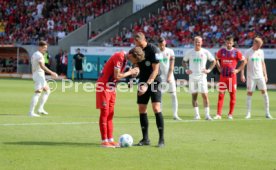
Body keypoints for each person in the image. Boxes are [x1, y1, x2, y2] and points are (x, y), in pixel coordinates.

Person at [96, 47, 144, 148]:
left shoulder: (126, 59)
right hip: (103, 86)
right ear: (131, 55)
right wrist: (130, 72)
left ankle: (110, 139)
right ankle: (104, 141)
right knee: (105, 112)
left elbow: (124, 73)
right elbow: (117, 76)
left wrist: (131, 79)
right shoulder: (119, 56)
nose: (134, 62)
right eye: (135, 60)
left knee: (110, 114)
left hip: (112, 87)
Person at [134, 32, 165, 147]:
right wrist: (133, 76)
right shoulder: (136, 50)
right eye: (136, 43)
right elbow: (136, 66)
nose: (138, 46)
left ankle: (161, 139)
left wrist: (146, 84)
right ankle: (145, 139)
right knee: (142, 108)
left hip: (154, 81)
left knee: (156, 107)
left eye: (139, 43)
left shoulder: (154, 50)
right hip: (142, 81)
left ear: (144, 40)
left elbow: (155, 70)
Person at [182, 36, 216, 120]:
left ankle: (207, 115)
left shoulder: (205, 52)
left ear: (201, 43)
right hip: (192, 78)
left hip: (202, 77)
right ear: (193, 42)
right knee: (194, 96)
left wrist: (209, 70)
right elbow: (183, 61)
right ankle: (197, 115)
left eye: (199, 42)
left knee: (205, 95)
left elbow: (213, 61)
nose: (197, 43)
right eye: (196, 42)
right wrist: (186, 69)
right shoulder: (189, 52)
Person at [214, 36, 245, 120]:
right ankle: (218, 114)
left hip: (232, 78)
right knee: (220, 95)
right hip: (223, 77)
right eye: (227, 42)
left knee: (232, 96)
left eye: (230, 43)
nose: (229, 44)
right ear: (225, 42)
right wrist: (219, 68)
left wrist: (238, 70)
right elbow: (216, 59)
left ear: (233, 43)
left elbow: (244, 61)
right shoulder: (221, 51)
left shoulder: (236, 52)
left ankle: (230, 114)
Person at [241, 37, 273, 119]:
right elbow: (244, 64)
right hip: (251, 77)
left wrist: (265, 75)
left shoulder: (261, 52)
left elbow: (263, 64)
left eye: (260, 46)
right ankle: (248, 113)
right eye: (258, 45)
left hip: (260, 76)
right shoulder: (247, 52)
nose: (259, 47)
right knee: (249, 93)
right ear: (254, 43)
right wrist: (242, 74)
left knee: (265, 93)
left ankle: (267, 113)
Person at [28, 41, 58, 117]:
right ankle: (31, 112)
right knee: (37, 93)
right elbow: (42, 66)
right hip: (39, 75)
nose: (45, 49)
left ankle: (40, 108)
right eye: (44, 48)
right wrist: (52, 72)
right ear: (40, 47)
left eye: (46, 48)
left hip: (38, 75)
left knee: (47, 91)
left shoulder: (36, 54)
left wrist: (34, 76)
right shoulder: (39, 55)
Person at [157, 37, 181, 120]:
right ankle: (160, 115)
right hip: (160, 77)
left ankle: (175, 115)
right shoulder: (156, 52)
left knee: (174, 95)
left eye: (163, 45)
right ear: (158, 44)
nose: (162, 46)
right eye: (160, 45)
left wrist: (169, 76)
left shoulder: (170, 51)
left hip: (170, 76)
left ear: (165, 43)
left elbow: (172, 65)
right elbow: (156, 66)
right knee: (160, 96)